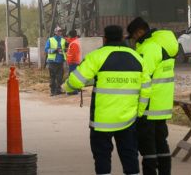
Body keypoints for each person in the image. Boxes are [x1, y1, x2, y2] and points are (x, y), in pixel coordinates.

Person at [63, 25, 151, 175]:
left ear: (105, 39)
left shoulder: (97, 56)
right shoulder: (137, 57)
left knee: (102, 156)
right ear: (123, 38)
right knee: (130, 155)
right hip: (128, 119)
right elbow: (146, 89)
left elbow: (77, 81)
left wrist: (67, 87)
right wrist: (139, 112)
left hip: (102, 121)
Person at [127, 17, 178, 175]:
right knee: (161, 142)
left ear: (140, 31)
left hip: (148, 104)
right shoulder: (161, 45)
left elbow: (142, 77)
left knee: (147, 145)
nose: (133, 40)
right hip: (161, 103)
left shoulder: (148, 48)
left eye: (133, 35)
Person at [45, 26, 67, 96]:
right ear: (55, 32)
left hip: (60, 61)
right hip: (52, 61)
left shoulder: (63, 40)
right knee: (53, 77)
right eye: (58, 31)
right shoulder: (50, 40)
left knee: (60, 77)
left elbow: (64, 49)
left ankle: (58, 89)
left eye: (60, 31)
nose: (60, 32)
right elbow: (46, 50)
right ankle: (52, 91)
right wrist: (55, 50)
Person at [66, 30, 80, 95]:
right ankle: (75, 89)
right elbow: (69, 40)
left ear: (70, 36)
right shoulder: (75, 41)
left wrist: (69, 61)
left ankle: (73, 91)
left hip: (73, 62)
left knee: (72, 77)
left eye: (68, 36)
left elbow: (72, 54)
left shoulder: (73, 43)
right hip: (75, 62)